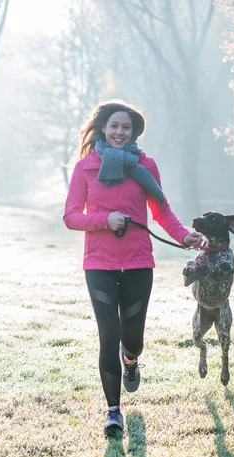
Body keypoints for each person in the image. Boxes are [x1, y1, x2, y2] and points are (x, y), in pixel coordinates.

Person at [63, 100, 202, 436]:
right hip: (99, 264)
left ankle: (131, 359)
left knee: (132, 338)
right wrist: (103, 220)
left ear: (133, 131)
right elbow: (70, 217)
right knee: (108, 333)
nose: (120, 132)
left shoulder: (146, 166)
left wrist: (185, 236)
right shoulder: (85, 168)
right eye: (114, 126)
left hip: (139, 263)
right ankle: (113, 411)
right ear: (103, 128)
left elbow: (162, 211)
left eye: (126, 127)